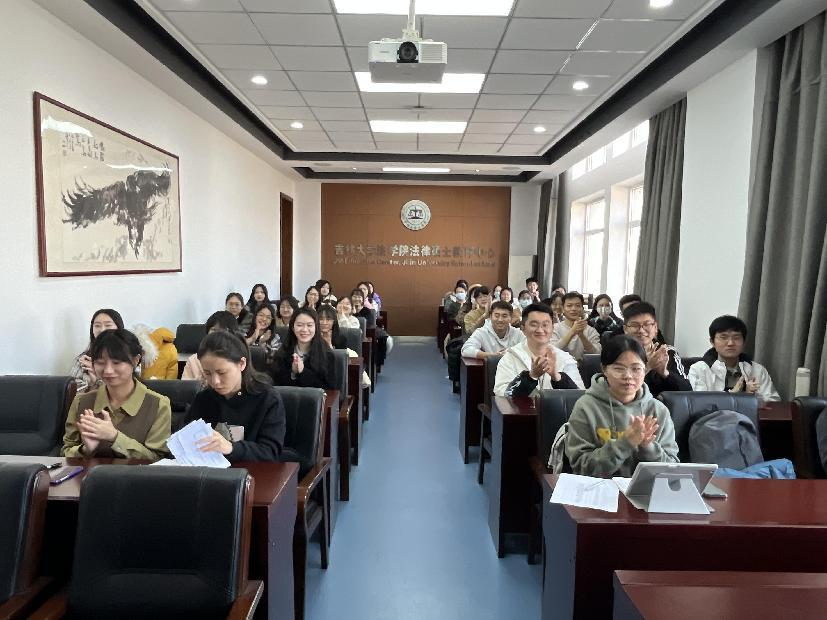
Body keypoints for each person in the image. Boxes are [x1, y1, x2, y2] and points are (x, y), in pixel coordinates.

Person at [565, 335, 679, 477]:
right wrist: (625, 443)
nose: (628, 376)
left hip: (645, 488)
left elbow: (672, 469)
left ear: (645, 369)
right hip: (600, 488)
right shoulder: (586, 407)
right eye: (619, 369)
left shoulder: (658, 410)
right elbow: (581, 467)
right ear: (604, 369)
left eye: (636, 369)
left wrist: (648, 447)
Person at [61, 329, 171, 461]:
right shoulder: (81, 402)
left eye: (116, 362)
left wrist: (115, 437)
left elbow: (157, 459)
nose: (108, 370)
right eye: (100, 362)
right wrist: (86, 449)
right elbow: (65, 452)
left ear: (136, 360)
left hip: (137, 475)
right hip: (90, 474)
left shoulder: (158, 405)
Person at [186, 331, 286, 462]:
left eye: (222, 372)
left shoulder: (268, 399)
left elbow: (270, 452)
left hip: (253, 471)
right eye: (207, 373)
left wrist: (231, 448)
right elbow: (186, 440)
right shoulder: (204, 399)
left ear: (242, 364)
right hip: (208, 470)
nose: (215, 381)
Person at [494, 303, 584, 397]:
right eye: (534, 325)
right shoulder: (510, 358)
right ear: (523, 329)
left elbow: (579, 396)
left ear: (552, 328)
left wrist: (557, 377)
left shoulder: (565, 359)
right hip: (522, 407)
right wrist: (531, 377)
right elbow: (503, 395)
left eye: (545, 325)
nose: (540, 330)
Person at [688, 315, 780, 402]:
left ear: (744, 342)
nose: (730, 343)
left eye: (736, 338)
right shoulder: (699, 370)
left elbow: (773, 402)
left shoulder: (757, 370)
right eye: (723, 337)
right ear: (712, 342)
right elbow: (700, 404)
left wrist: (753, 397)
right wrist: (732, 394)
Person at [622, 301, 692, 397]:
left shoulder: (667, 352)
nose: (641, 330)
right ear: (625, 329)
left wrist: (664, 373)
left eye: (647, 324)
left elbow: (687, 391)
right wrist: (648, 367)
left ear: (655, 328)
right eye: (635, 325)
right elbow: (616, 389)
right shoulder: (618, 353)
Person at [269, 307, 335, 389]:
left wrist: (303, 371)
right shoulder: (283, 352)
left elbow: (329, 388)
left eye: (309, 325)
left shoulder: (327, 354)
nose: (304, 329)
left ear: (316, 328)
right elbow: (276, 385)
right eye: (299, 325)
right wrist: (293, 373)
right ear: (293, 328)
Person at [70, 308, 124, 390]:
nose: (102, 330)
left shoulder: (128, 358)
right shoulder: (84, 360)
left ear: (119, 328)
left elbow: (127, 390)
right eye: (97, 325)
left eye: (108, 325)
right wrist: (92, 384)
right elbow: (71, 392)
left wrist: (98, 377)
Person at [182, 311, 238, 381]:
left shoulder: (238, 358)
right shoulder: (194, 361)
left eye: (223, 331)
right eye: (214, 330)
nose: (218, 335)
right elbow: (186, 386)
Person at [461, 301, 526, 359]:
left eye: (504, 316)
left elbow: (528, 350)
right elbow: (466, 350)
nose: (500, 320)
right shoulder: (481, 332)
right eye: (496, 316)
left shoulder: (517, 333)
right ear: (490, 316)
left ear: (511, 318)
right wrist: (493, 356)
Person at [551, 292, 601, 362]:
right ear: (563, 308)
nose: (573, 309)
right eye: (569, 306)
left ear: (582, 308)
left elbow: (597, 354)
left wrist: (581, 335)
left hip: (584, 367)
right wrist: (572, 331)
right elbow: (552, 351)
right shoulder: (554, 328)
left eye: (577, 305)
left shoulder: (591, 331)